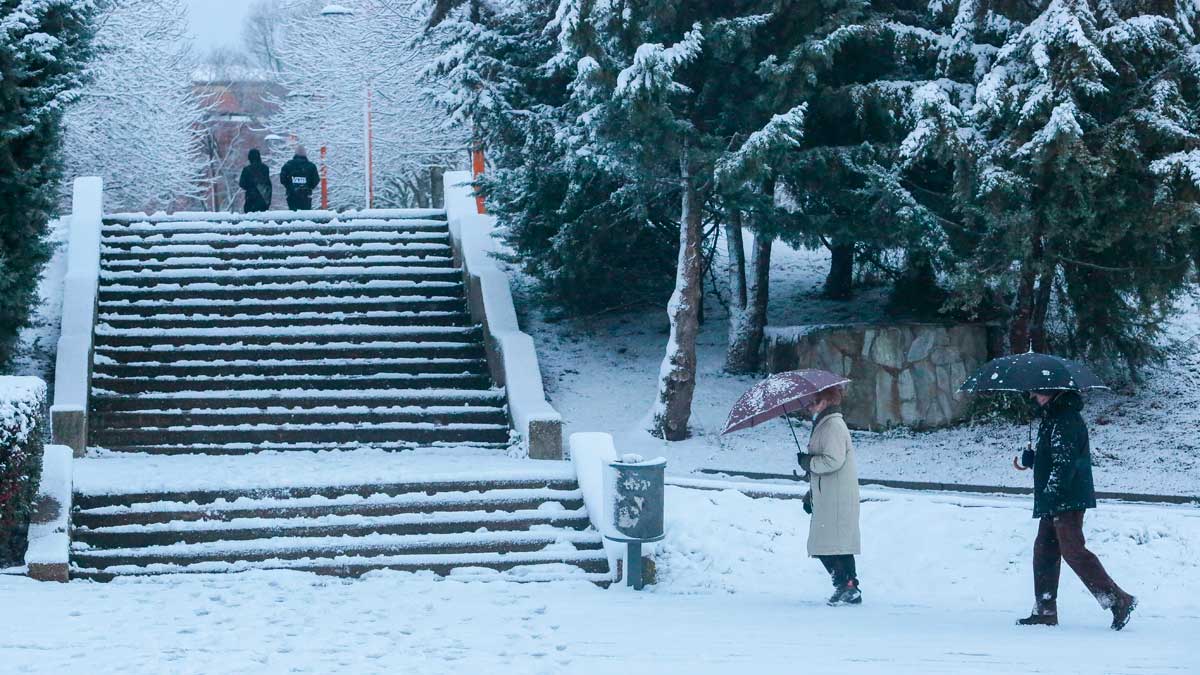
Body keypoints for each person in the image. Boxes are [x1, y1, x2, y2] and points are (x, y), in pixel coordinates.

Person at [1016, 389, 1137, 630]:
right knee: (1045, 552)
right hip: (1057, 498)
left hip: (1066, 498)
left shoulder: (1065, 419)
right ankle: (1045, 610)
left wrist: (1051, 492)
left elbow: (1065, 462)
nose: (1033, 396)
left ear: (1053, 391)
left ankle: (1119, 600)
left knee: (1073, 551)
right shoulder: (1054, 417)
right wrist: (1034, 459)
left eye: (1038, 392)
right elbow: (1054, 457)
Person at [798, 385, 862, 606]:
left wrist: (808, 462)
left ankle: (846, 585)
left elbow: (833, 461)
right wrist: (811, 493)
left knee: (827, 544)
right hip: (830, 494)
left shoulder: (833, 425)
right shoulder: (826, 424)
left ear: (825, 401)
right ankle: (850, 586)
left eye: (813, 401)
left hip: (835, 497)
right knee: (836, 544)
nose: (809, 405)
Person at [279, 146, 320, 211]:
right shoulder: (311, 166)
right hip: (306, 195)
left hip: (291, 195)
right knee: (306, 215)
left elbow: (282, 179)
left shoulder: (288, 165)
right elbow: (316, 180)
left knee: (293, 214)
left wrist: (289, 186)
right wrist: (309, 187)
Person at [238, 149, 272, 213]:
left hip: (250, 199)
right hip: (263, 199)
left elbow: (242, 184)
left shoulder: (246, 170)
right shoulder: (265, 168)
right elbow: (268, 184)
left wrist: (250, 186)